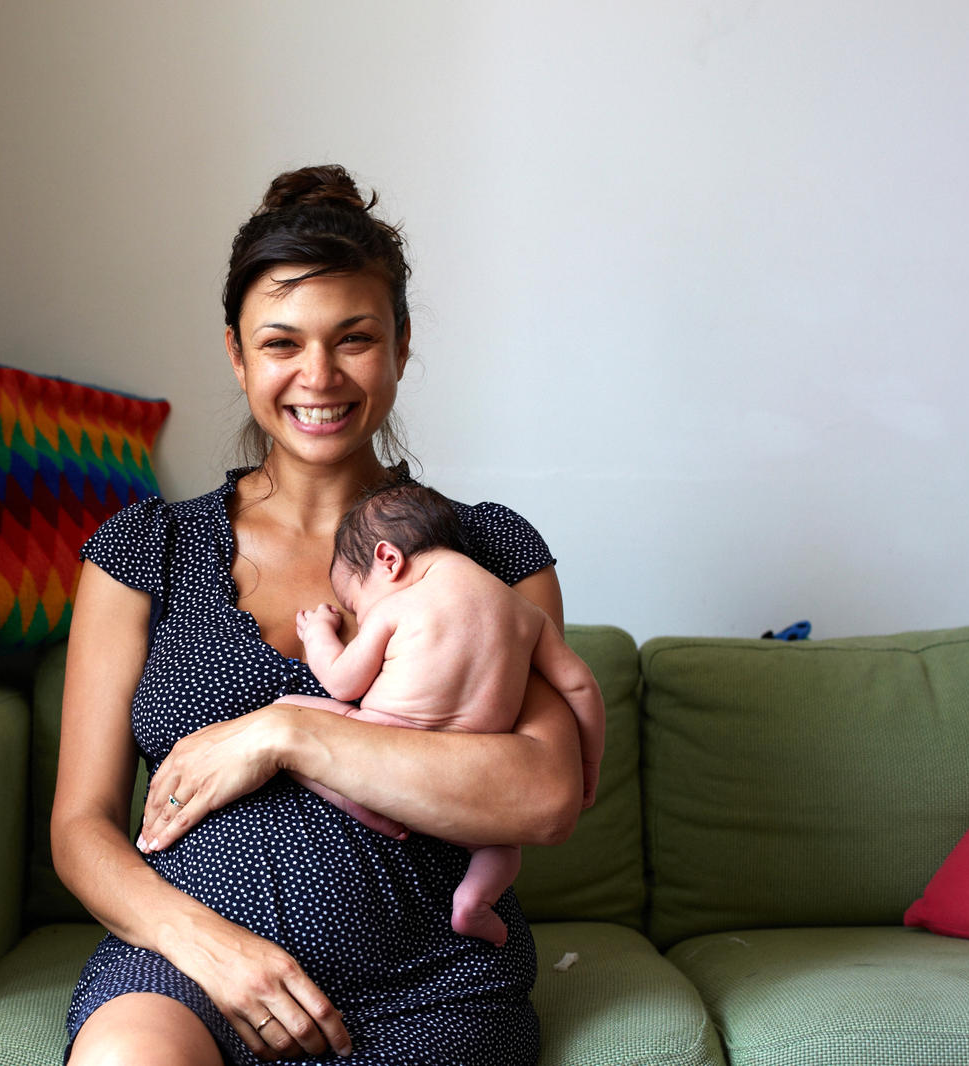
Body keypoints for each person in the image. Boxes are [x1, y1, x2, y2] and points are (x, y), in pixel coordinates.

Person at [51, 164, 584, 1066]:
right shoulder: (143, 551)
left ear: (401, 345)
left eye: (354, 338)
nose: (318, 376)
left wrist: (284, 734)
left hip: (429, 983)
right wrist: (208, 949)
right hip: (188, 974)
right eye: (281, 343)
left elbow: (542, 794)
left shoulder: (488, 551)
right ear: (236, 355)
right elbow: (80, 829)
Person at [281, 482, 606, 948]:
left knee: (287, 714)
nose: (359, 615)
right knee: (502, 848)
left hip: (382, 742)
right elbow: (580, 686)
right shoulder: (525, 612)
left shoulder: (397, 607)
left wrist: (319, 634)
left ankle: (359, 803)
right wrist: (588, 764)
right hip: (471, 784)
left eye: (355, 603)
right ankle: (473, 902)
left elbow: (341, 683)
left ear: (388, 560)